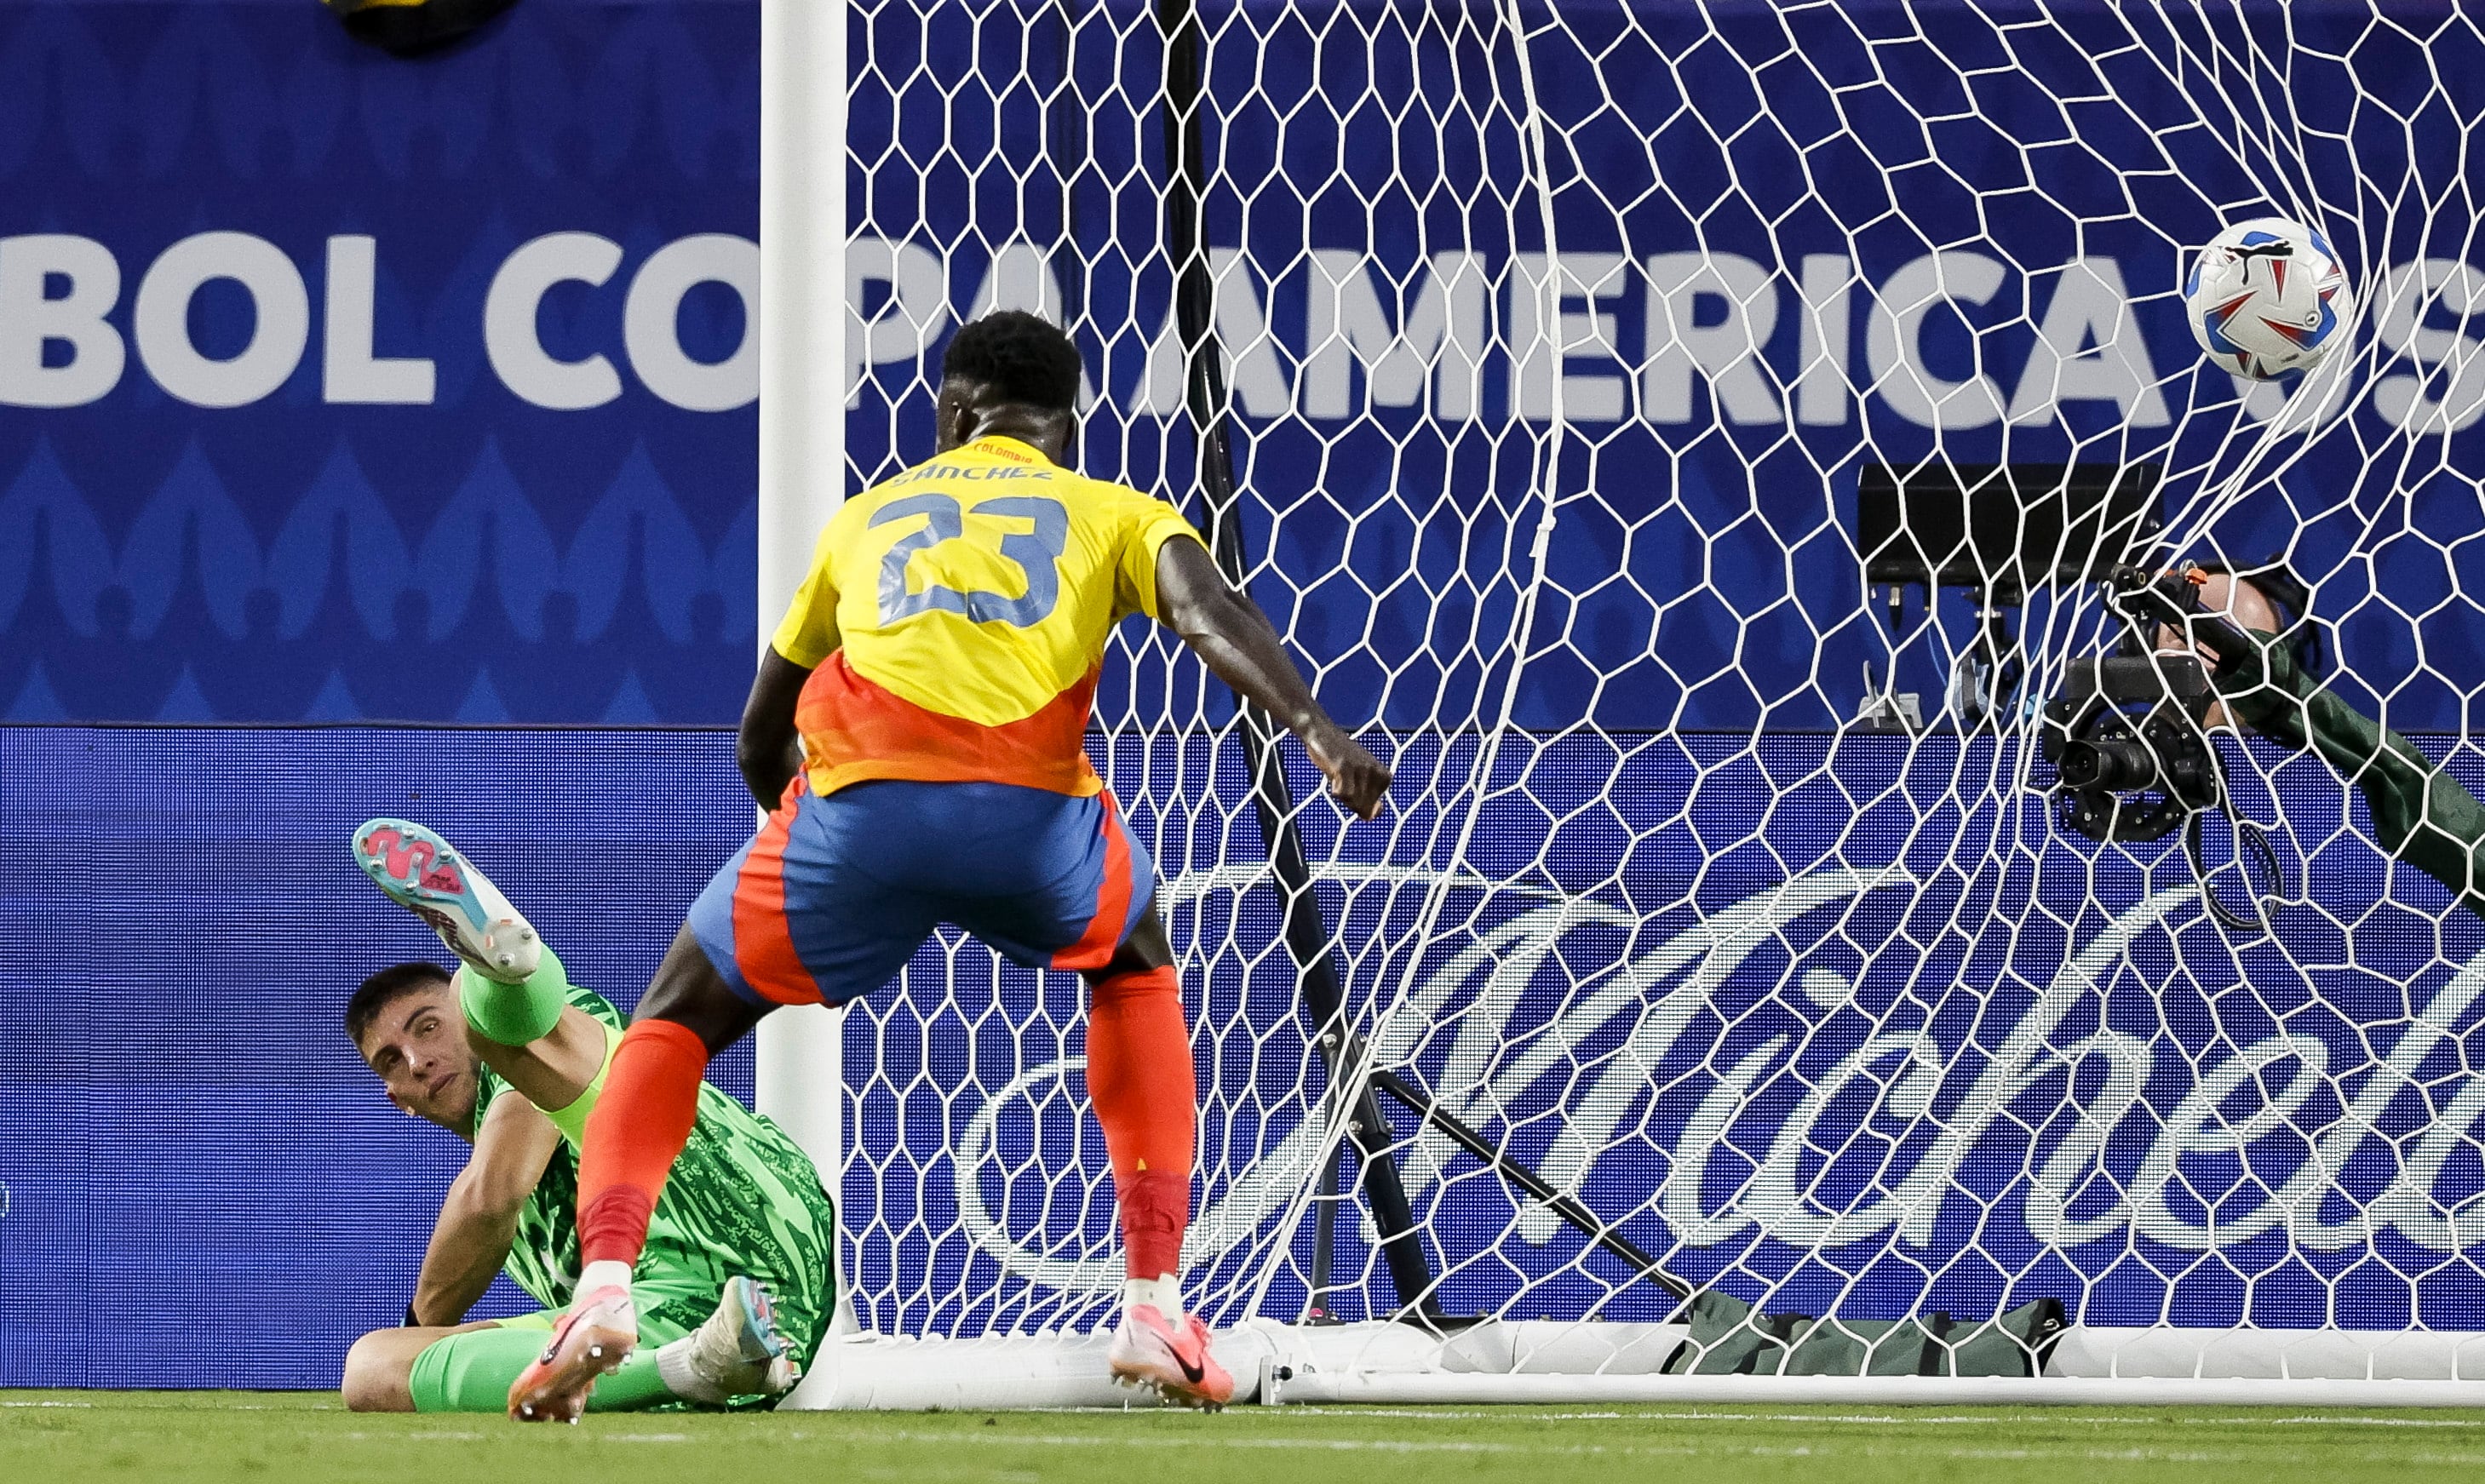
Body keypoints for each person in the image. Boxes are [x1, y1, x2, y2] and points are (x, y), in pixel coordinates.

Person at [507, 310, 1392, 1420]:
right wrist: (1317, 731)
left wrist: (825, 851)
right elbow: (1206, 610)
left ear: (951, 412)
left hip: (855, 816)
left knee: (673, 1017)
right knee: (1134, 954)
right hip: (1030, 826)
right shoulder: (1114, 510)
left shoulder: (864, 518)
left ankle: (602, 1288)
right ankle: (1154, 1300)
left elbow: (755, 737)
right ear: (1064, 428)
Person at [338, 818, 837, 1417]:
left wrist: (424, 1322)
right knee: (371, 1367)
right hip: (711, 1321)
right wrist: (410, 1346)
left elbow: (491, 1195)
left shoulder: (532, 1088)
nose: (418, 1060)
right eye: (392, 1060)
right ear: (399, 1099)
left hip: (746, 1214)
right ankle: (695, 1365)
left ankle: (509, 984)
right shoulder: (511, 1233)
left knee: (539, 1048)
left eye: (428, 1026)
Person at [2162, 561, 2485, 922]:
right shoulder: (2105, 745)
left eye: (2233, 639)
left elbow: (2441, 818)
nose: (2197, 656)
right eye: (2181, 632)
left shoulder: (2331, 769)